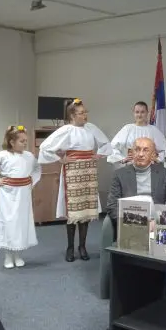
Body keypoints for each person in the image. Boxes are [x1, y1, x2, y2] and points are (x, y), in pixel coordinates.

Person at [38, 98, 113, 262]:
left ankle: (82, 246)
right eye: (81, 113)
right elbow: (45, 147)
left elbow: (106, 143)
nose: (85, 115)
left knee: (85, 211)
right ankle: (70, 247)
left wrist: (98, 154)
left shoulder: (91, 128)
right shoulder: (66, 130)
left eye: (85, 112)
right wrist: (61, 159)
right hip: (73, 171)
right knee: (73, 211)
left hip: (88, 170)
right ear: (72, 115)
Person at [0, 125, 42, 269]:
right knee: (9, 222)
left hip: (24, 195)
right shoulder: (2, 155)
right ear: (12, 142)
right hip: (8, 195)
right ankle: (8, 255)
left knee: (21, 223)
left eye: (26, 141)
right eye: (21, 141)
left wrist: (32, 180)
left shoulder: (29, 156)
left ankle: (18, 254)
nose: (25, 144)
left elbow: (37, 168)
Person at [106, 137, 166, 235]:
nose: (140, 154)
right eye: (137, 149)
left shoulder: (164, 174)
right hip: (130, 225)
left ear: (153, 155)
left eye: (145, 150)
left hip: (156, 226)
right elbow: (112, 206)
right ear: (131, 153)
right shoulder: (119, 175)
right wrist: (137, 222)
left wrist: (159, 221)